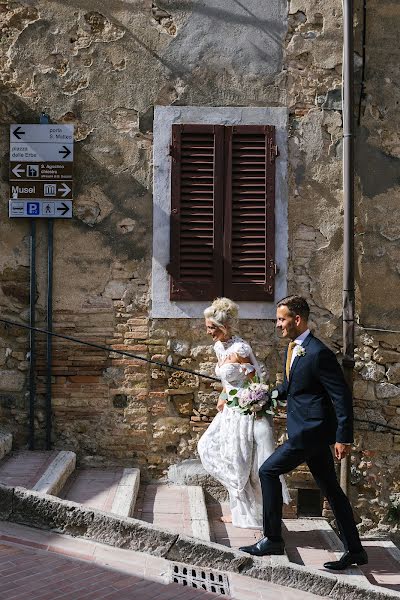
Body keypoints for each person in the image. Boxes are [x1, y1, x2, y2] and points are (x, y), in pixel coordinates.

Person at [239, 295, 368, 570]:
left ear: (297, 319)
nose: (278, 325)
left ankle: (272, 538)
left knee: (268, 470)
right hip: (309, 431)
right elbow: (290, 387)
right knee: (331, 489)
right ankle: (355, 550)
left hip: (311, 431)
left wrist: (343, 436)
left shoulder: (318, 353)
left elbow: (341, 397)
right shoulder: (295, 349)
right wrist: (263, 396)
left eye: (282, 319)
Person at [198, 297, 290, 529]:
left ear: (224, 327)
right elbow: (227, 379)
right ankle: (241, 510)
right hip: (228, 410)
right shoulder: (220, 346)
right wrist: (222, 396)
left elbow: (256, 382)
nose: (208, 332)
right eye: (208, 327)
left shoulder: (241, 349)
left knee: (242, 462)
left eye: (212, 328)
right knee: (209, 447)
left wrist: (251, 404)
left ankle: (248, 515)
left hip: (243, 413)